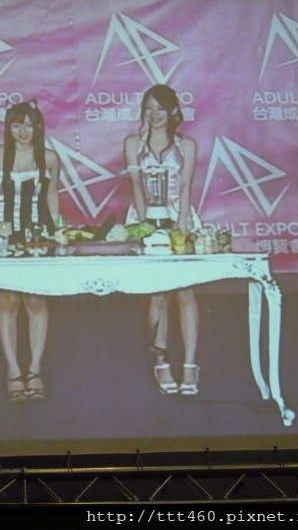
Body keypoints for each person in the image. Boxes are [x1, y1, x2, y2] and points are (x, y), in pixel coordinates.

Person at [0, 100, 61, 402]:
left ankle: (35, 369)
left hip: (38, 236)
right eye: (16, 125)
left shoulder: (49, 158)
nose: (23, 132)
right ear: (8, 127)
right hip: (3, 236)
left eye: (28, 125)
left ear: (38, 126)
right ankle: (13, 370)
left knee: (36, 299)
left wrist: (56, 233)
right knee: (9, 299)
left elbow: (52, 195)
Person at [124, 84, 201, 396]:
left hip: (179, 220)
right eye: (149, 108)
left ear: (173, 111)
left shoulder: (187, 145)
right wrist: (146, 227)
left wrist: (181, 228)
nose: (154, 114)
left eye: (160, 108)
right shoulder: (133, 144)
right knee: (158, 296)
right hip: (145, 222)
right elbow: (136, 187)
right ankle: (162, 362)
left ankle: (191, 365)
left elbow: (185, 188)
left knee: (186, 292)